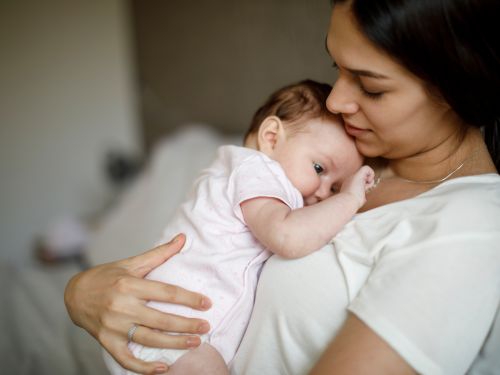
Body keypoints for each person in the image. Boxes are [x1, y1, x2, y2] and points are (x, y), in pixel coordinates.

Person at [65, 0, 500, 374]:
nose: (335, 102)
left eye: (369, 86)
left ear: (453, 87)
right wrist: (80, 293)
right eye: (337, 68)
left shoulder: (471, 227)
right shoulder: (344, 150)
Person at [104, 79, 375, 375]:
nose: (324, 193)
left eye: (335, 187)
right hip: (167, 333)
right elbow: (287, 236)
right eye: (320, 169)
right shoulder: (254, 170)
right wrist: (348, 199)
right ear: (271, 138)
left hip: (182, 339)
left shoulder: (263, 182)